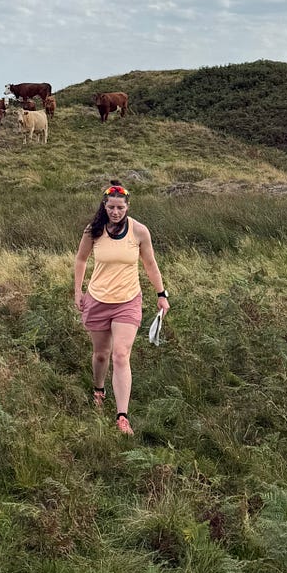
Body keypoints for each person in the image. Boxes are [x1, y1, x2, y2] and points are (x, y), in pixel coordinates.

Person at [73, 181, 169, 435]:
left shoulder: (139, 231)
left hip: (128, 301)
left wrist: (161, 294)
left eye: (120, 208)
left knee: (120, 355)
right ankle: (99, 389)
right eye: (111, 207)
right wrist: (78, 291)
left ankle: (122, 416)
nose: (115, 212)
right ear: (104, 206)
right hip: (98, 299)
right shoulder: (93, 230)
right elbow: (81, 259)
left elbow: (150, 264)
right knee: (101, 354)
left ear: (127, 207)